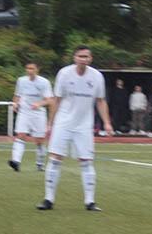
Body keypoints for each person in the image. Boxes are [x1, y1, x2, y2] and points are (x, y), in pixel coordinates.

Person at [37, 45, 112, 212]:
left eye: (86, 56)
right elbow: (56, 99)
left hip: (84, 124)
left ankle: (90, 202)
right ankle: (48, 199)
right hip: (64, 122)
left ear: (90, 59)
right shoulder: (64, 73)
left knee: (86, 160)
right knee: (56, 158)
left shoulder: (97, 76)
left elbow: (100, 100)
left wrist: (107, 122)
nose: (83, 59)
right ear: (74, 58)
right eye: (80, 56)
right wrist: (50, 123)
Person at [9, 61, 52, 172]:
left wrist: (39, 104)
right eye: (27, 68)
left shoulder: (44, 82)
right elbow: (17, 95)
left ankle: (40, 164)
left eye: (32, 68)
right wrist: (15, 104)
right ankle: (16, 162)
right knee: (21, 135)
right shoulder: (21, 80)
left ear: (37, 69)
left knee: (39, 141)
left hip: (38, 113)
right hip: (24, 112)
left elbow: (49, 100)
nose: (29, 71)